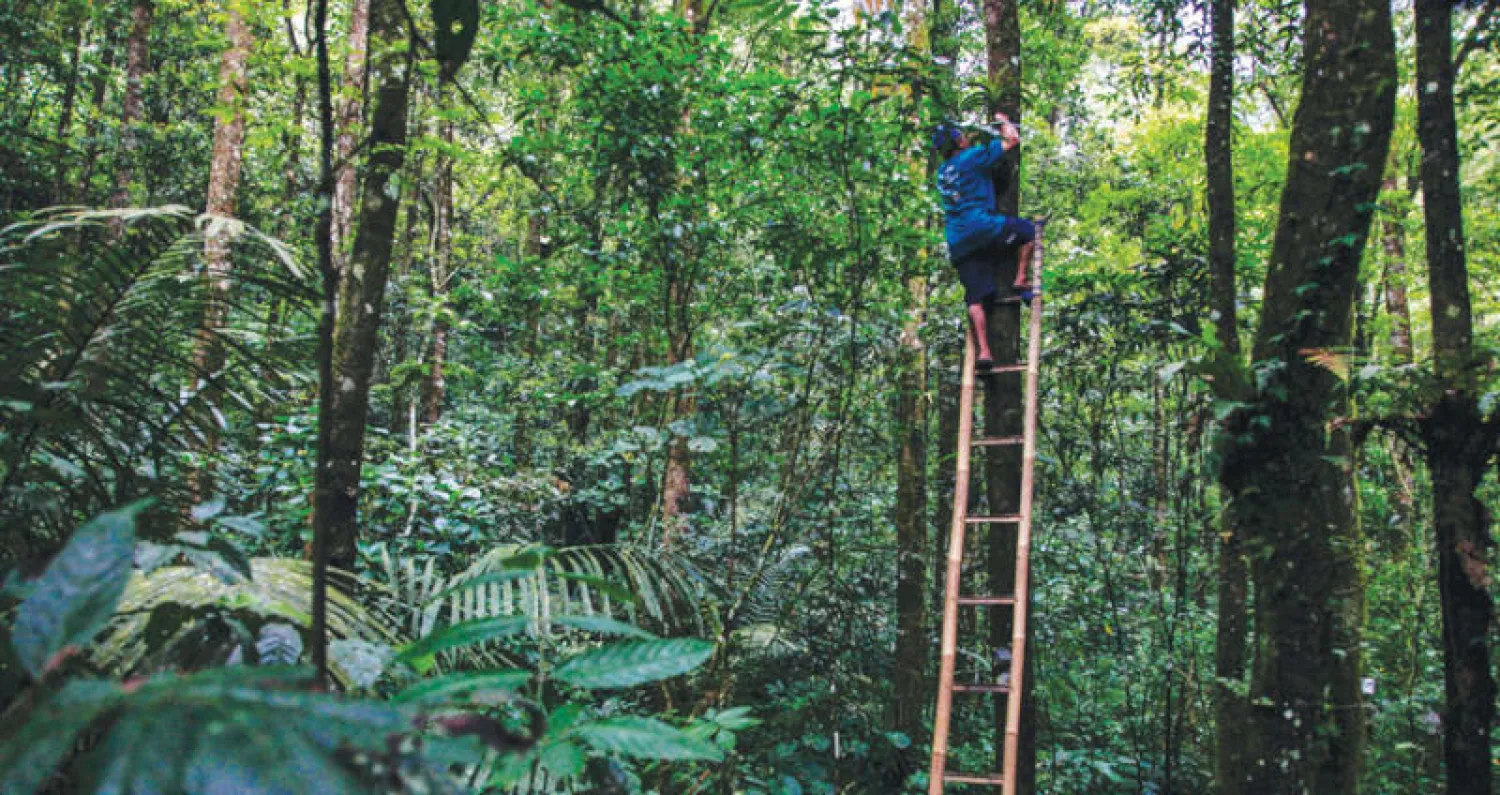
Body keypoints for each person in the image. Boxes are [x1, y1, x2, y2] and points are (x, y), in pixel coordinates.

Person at [932, 113, 1038, 372]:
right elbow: (1011, 140)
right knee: (1028, 232)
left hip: (959, 240)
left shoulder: (943, 173)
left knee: (976, 297)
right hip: (982, 226)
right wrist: (1004, 121)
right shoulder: (973, 157)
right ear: (958, 141)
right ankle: (1021, 278)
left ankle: (984, 351)